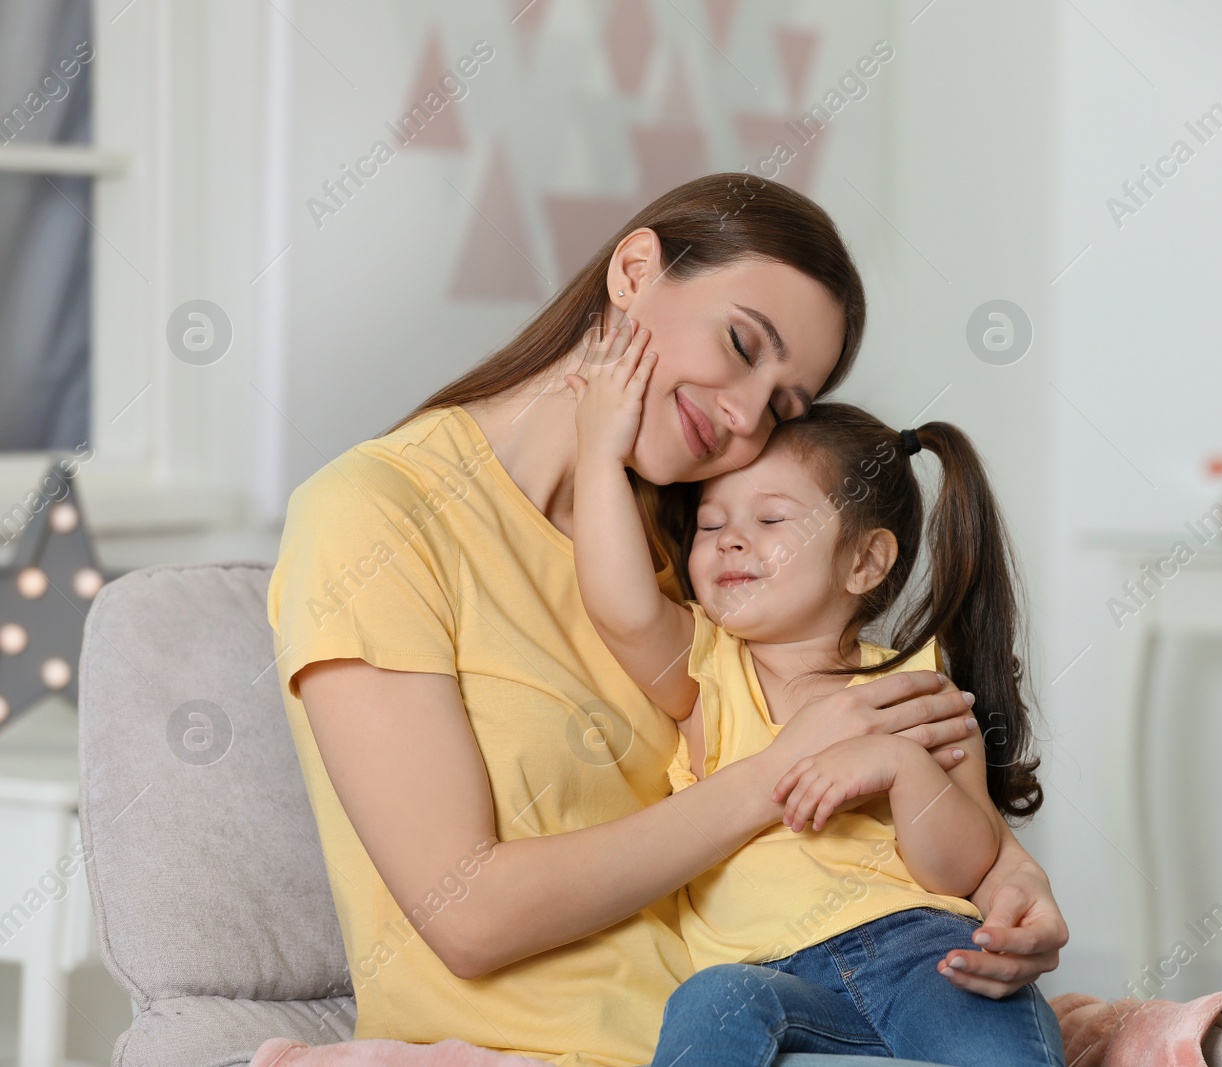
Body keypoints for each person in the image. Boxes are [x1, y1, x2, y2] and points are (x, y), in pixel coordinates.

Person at [267, 173, 1067, 1067]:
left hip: (779, 1019)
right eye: (740, 343)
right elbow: (468, 915)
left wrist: (1009, 878)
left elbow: (865, 811)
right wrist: (783, 771)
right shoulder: (375, 516)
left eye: (779, 406)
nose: (740, 414)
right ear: (635, 270)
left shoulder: (687, 550)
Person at [564, 329, 1064, 1067]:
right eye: (711, 523)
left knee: (991, 1027)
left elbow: (964, 865)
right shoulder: (705, 665)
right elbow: (619, 603)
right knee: (707, 1004)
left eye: (768, 521)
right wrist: (598, 452)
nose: (731, 540)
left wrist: (900, 766)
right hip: (765, 974)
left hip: (922, 952)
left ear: (865, 559)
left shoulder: (914, 685)